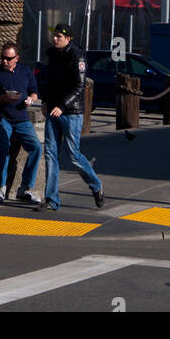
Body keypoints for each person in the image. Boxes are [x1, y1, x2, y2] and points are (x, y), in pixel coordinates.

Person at [40, 24, 104, 212]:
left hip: (71, 112)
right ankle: (52, 200)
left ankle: (96, 185)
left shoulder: (77, 55)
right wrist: (46, 101)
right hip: (53, 110)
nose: (55, 39)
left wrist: (62, 105)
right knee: (50, 154)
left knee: (73, 155)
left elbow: (79, 85)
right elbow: (48, 81)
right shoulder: (52, 54)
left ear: (68, 39)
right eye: (54, 35)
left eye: (59, 36)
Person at [0, 41, 41, 204]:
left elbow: (34, 92)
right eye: (2, 57)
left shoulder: (25, 72)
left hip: (21, 117)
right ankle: (1, 187)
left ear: (17, 58)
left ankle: (25, 188)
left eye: (8, 58)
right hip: (2, 117)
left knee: (36, 147)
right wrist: (2, 98)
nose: (4, 61)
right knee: (4, 148)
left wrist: (31, 99)